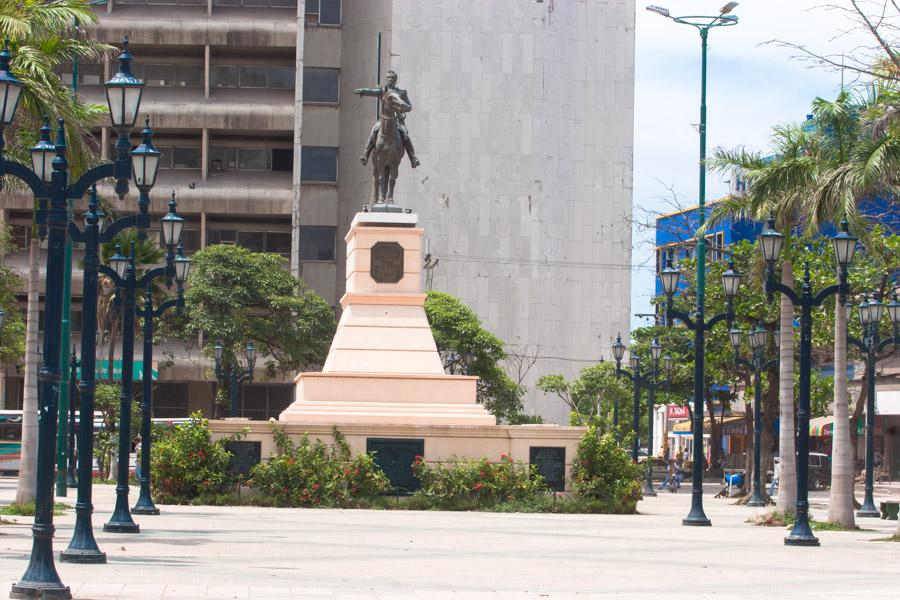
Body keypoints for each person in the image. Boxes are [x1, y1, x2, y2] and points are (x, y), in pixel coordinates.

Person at [355, 70, 420, 168]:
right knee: (374, 131)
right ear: (386, 79)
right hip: (384, 119)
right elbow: (371, 91)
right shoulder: (382, 91)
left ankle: (413, 158)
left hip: (398, 120)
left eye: (392, 77)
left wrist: (404, 108)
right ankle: (365, 155)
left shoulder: (401, 93)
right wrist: (363, 91)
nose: (391, 79)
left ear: (395, 79)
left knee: (405, 135)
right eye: (389, 77)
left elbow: (409, 106)